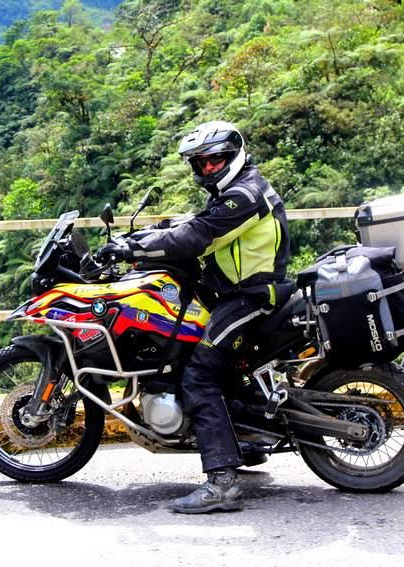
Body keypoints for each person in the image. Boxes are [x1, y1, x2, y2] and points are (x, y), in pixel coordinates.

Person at [97, 120, 290, 513]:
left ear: (233, 156)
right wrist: (139, 238)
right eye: (199, 164)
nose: (206, 170)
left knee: (200, 373)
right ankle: (244, 442)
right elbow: (189, 224)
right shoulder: (233, 192)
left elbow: (197, 237)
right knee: (192, 354)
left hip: (250, 298)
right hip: (230, 293)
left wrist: (131, 251)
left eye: (213, 161)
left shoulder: (244, 196)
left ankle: (222, 484)